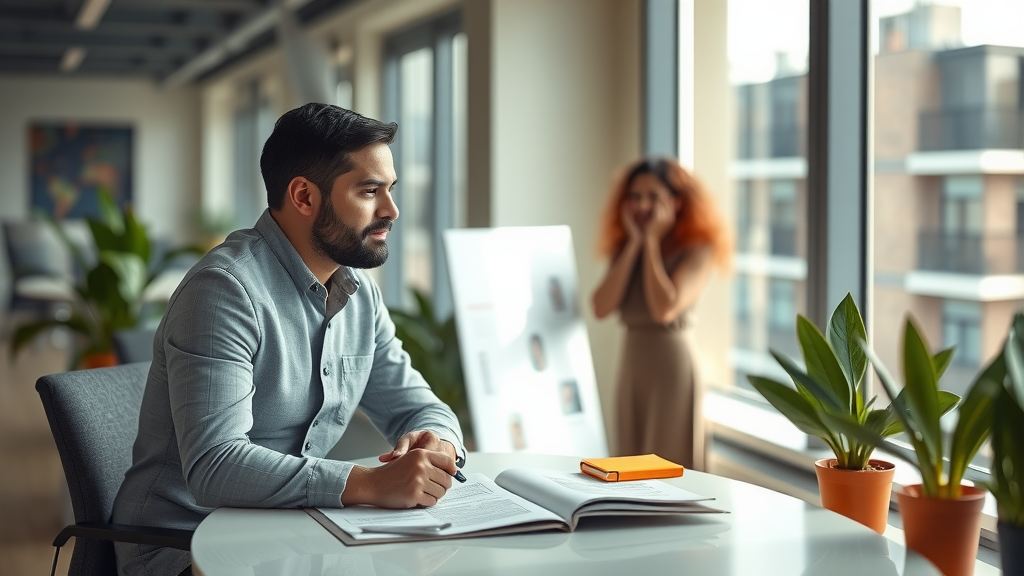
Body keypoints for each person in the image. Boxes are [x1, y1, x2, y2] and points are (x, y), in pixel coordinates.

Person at [112, 103, 466, 576]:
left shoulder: (359, 296)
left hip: (288, 535)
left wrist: (439, 444)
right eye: (369, 191)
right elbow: (216, 465)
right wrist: (369, 484)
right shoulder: (223, 292)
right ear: (304, 196)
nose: (391, 211)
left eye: (391, 190)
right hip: (185, 548)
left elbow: (418, 407)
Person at [591, 157, 729, 470]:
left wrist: (651, 242)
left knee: (669, 465)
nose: (643, 205)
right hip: (632, 363)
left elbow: (664, 307)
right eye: (635, 197)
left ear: (677, 202)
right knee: (628, 463)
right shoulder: (625, 247)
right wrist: (635, 245)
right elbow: (600, 307)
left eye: (654, 197)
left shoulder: (698, 248)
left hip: (671, 367)